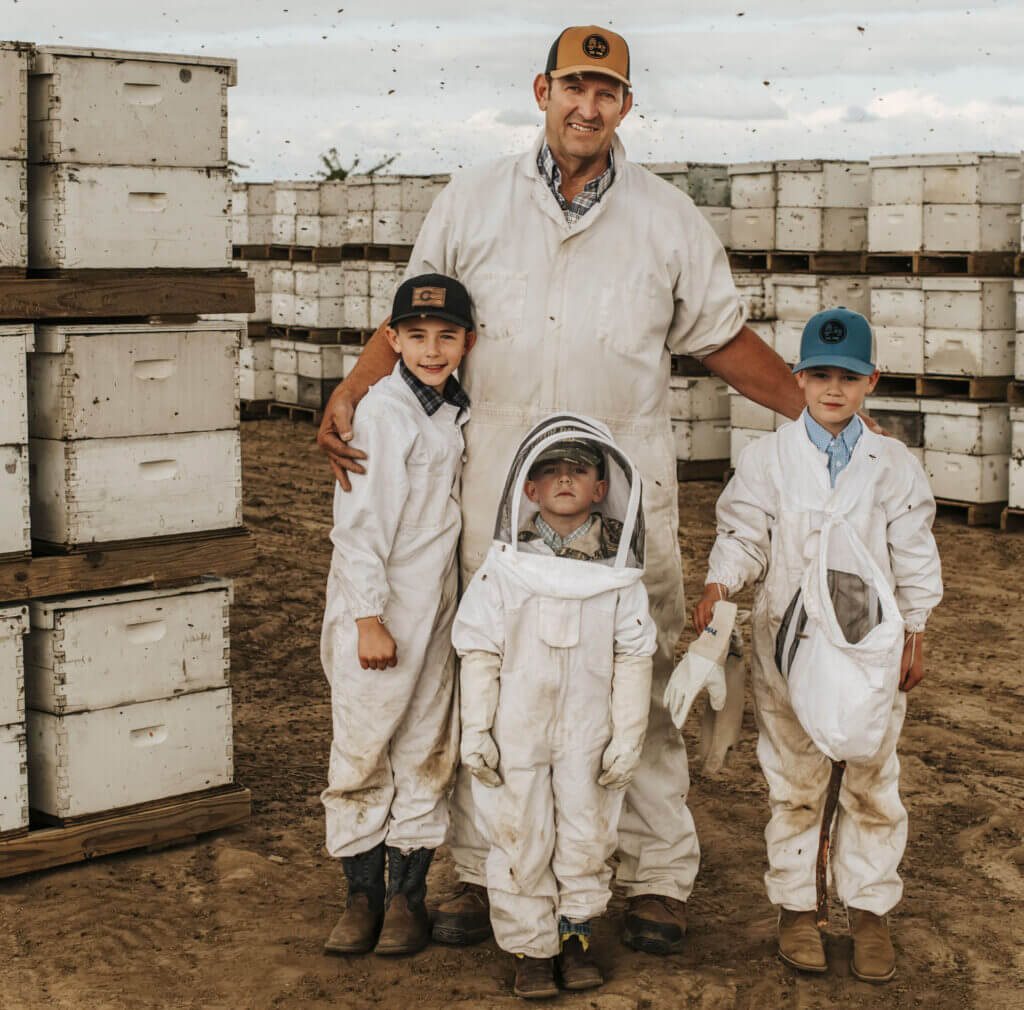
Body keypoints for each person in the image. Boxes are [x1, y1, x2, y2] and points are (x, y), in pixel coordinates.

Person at [318, 24, 807, 954]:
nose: (588, 107)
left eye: (607, 93)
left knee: (643, 661)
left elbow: (722, 339)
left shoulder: (667, 216)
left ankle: (657, 874)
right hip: (497, 476)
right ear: (541, 90)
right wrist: (351, 387)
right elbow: (417, 309)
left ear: (627, 106)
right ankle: (480, 871)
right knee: (491, 670)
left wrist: (820, 414)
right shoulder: (473, 200)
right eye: (573, 88)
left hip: (625, 485)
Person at [691, 308, 943, 983]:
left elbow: (914, 550)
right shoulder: (768, 459)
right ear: (798, 378)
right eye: (821, 375)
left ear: (871, 383)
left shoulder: (892, 465)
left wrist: (916, 626)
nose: (834, 389)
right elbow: (744, 533)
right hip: (789, 644)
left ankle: (868, 911)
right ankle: (798, 909)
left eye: (849, 378)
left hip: (869, 647)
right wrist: (720, 584)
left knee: (870, 778)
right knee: (796, 779)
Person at [453, 419, 657, 998]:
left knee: (587, 832)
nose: (564, 477)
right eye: (549, 470)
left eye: (579, 469)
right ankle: (530, 950)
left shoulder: (619, 575)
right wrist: (476, 729)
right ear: (529, 489)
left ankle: (576, 939)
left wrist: (628, 737)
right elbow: (480, 650)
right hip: (516, 728)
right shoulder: (504, 568)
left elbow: (634, 655)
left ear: (601, 489)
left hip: (588, 730)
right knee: (519, 832)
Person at [320, 273, 474, 957]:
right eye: (416, 336)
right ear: (393, 340)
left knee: (425, 749)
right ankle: (361, 896)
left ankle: (409, 898)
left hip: (435, 613)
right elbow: (358, 526)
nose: (432, 349)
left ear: (468, 341)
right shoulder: (383, 414)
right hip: (377, 616)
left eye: (446, 336)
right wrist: (367, 618)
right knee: (363, 746)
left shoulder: (451, 411)